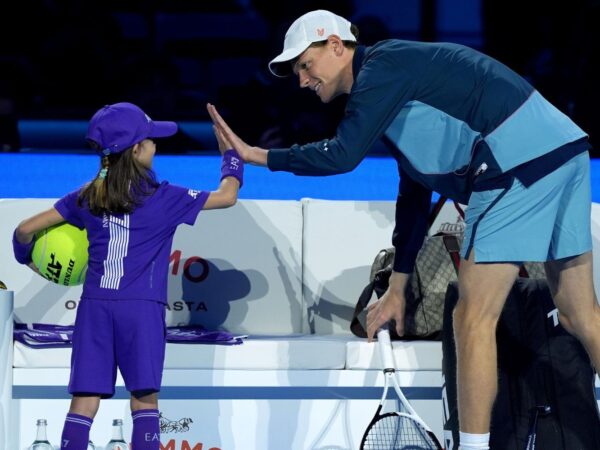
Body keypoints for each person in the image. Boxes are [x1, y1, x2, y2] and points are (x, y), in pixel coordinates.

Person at [206, 9, 600, 450]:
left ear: (336, 46)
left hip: (514, 160)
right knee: (579, 316)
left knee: (471, 317)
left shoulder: (380, 70)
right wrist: (397, 288)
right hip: (564, 150)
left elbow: (341, 156)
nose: (301, 80)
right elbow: (415, 190)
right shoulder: (392, 84)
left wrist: (257, 155)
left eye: (304, 64)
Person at [12, 102, 244, 449]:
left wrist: (28, 260)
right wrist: (232, 157)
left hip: (94, 309)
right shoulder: (166, 197)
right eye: (151, 139)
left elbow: (23, 230)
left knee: (84, 402)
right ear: (137, 149)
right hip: (141, 310)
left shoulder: (86, 197)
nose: (156, 144)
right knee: (145, 401)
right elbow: (227, 196)